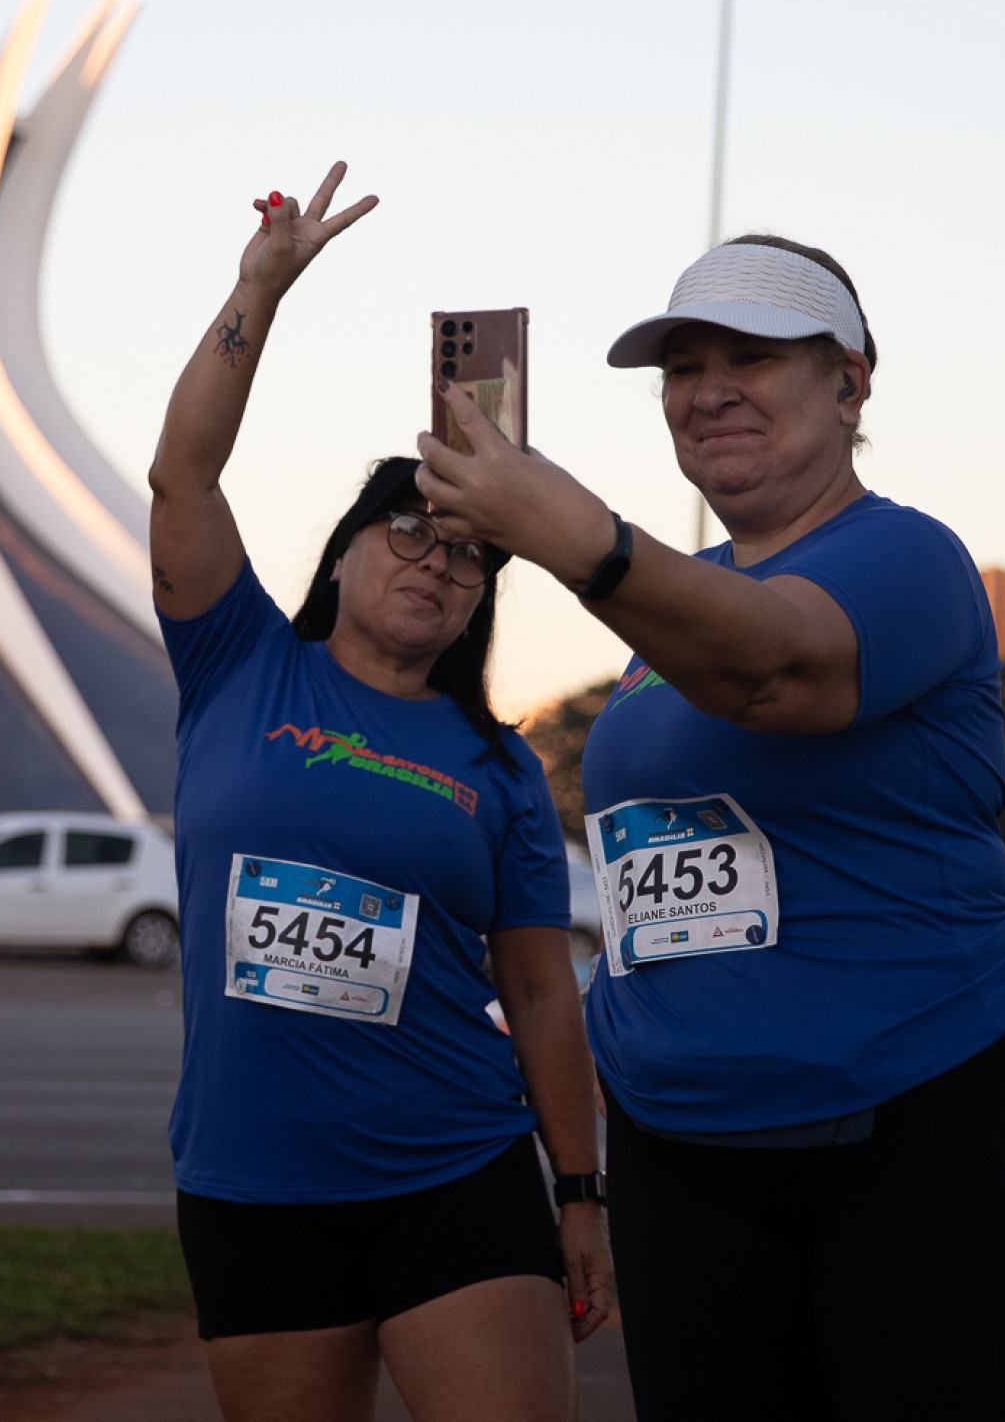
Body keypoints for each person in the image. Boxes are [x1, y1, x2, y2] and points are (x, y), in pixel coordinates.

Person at [414, 234, 1005, 1421]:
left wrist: (577, 533)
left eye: (753, 356)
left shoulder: (904, 555)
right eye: (683, 367)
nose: (708, 389)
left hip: (923, 1117)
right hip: (687, 1145)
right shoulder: (671, 609)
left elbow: (777, 670)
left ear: (851, 379)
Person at [149, 163, 613, 1422]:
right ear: (343, 551)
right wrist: (260, 294)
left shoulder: (496, 763)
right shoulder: (239, 663)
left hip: (451, 1171)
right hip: (251, 1184)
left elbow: (536, 990)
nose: (436, 563)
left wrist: (579, 1194)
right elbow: (184, 478)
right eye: (407, 531)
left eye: (469, 555)